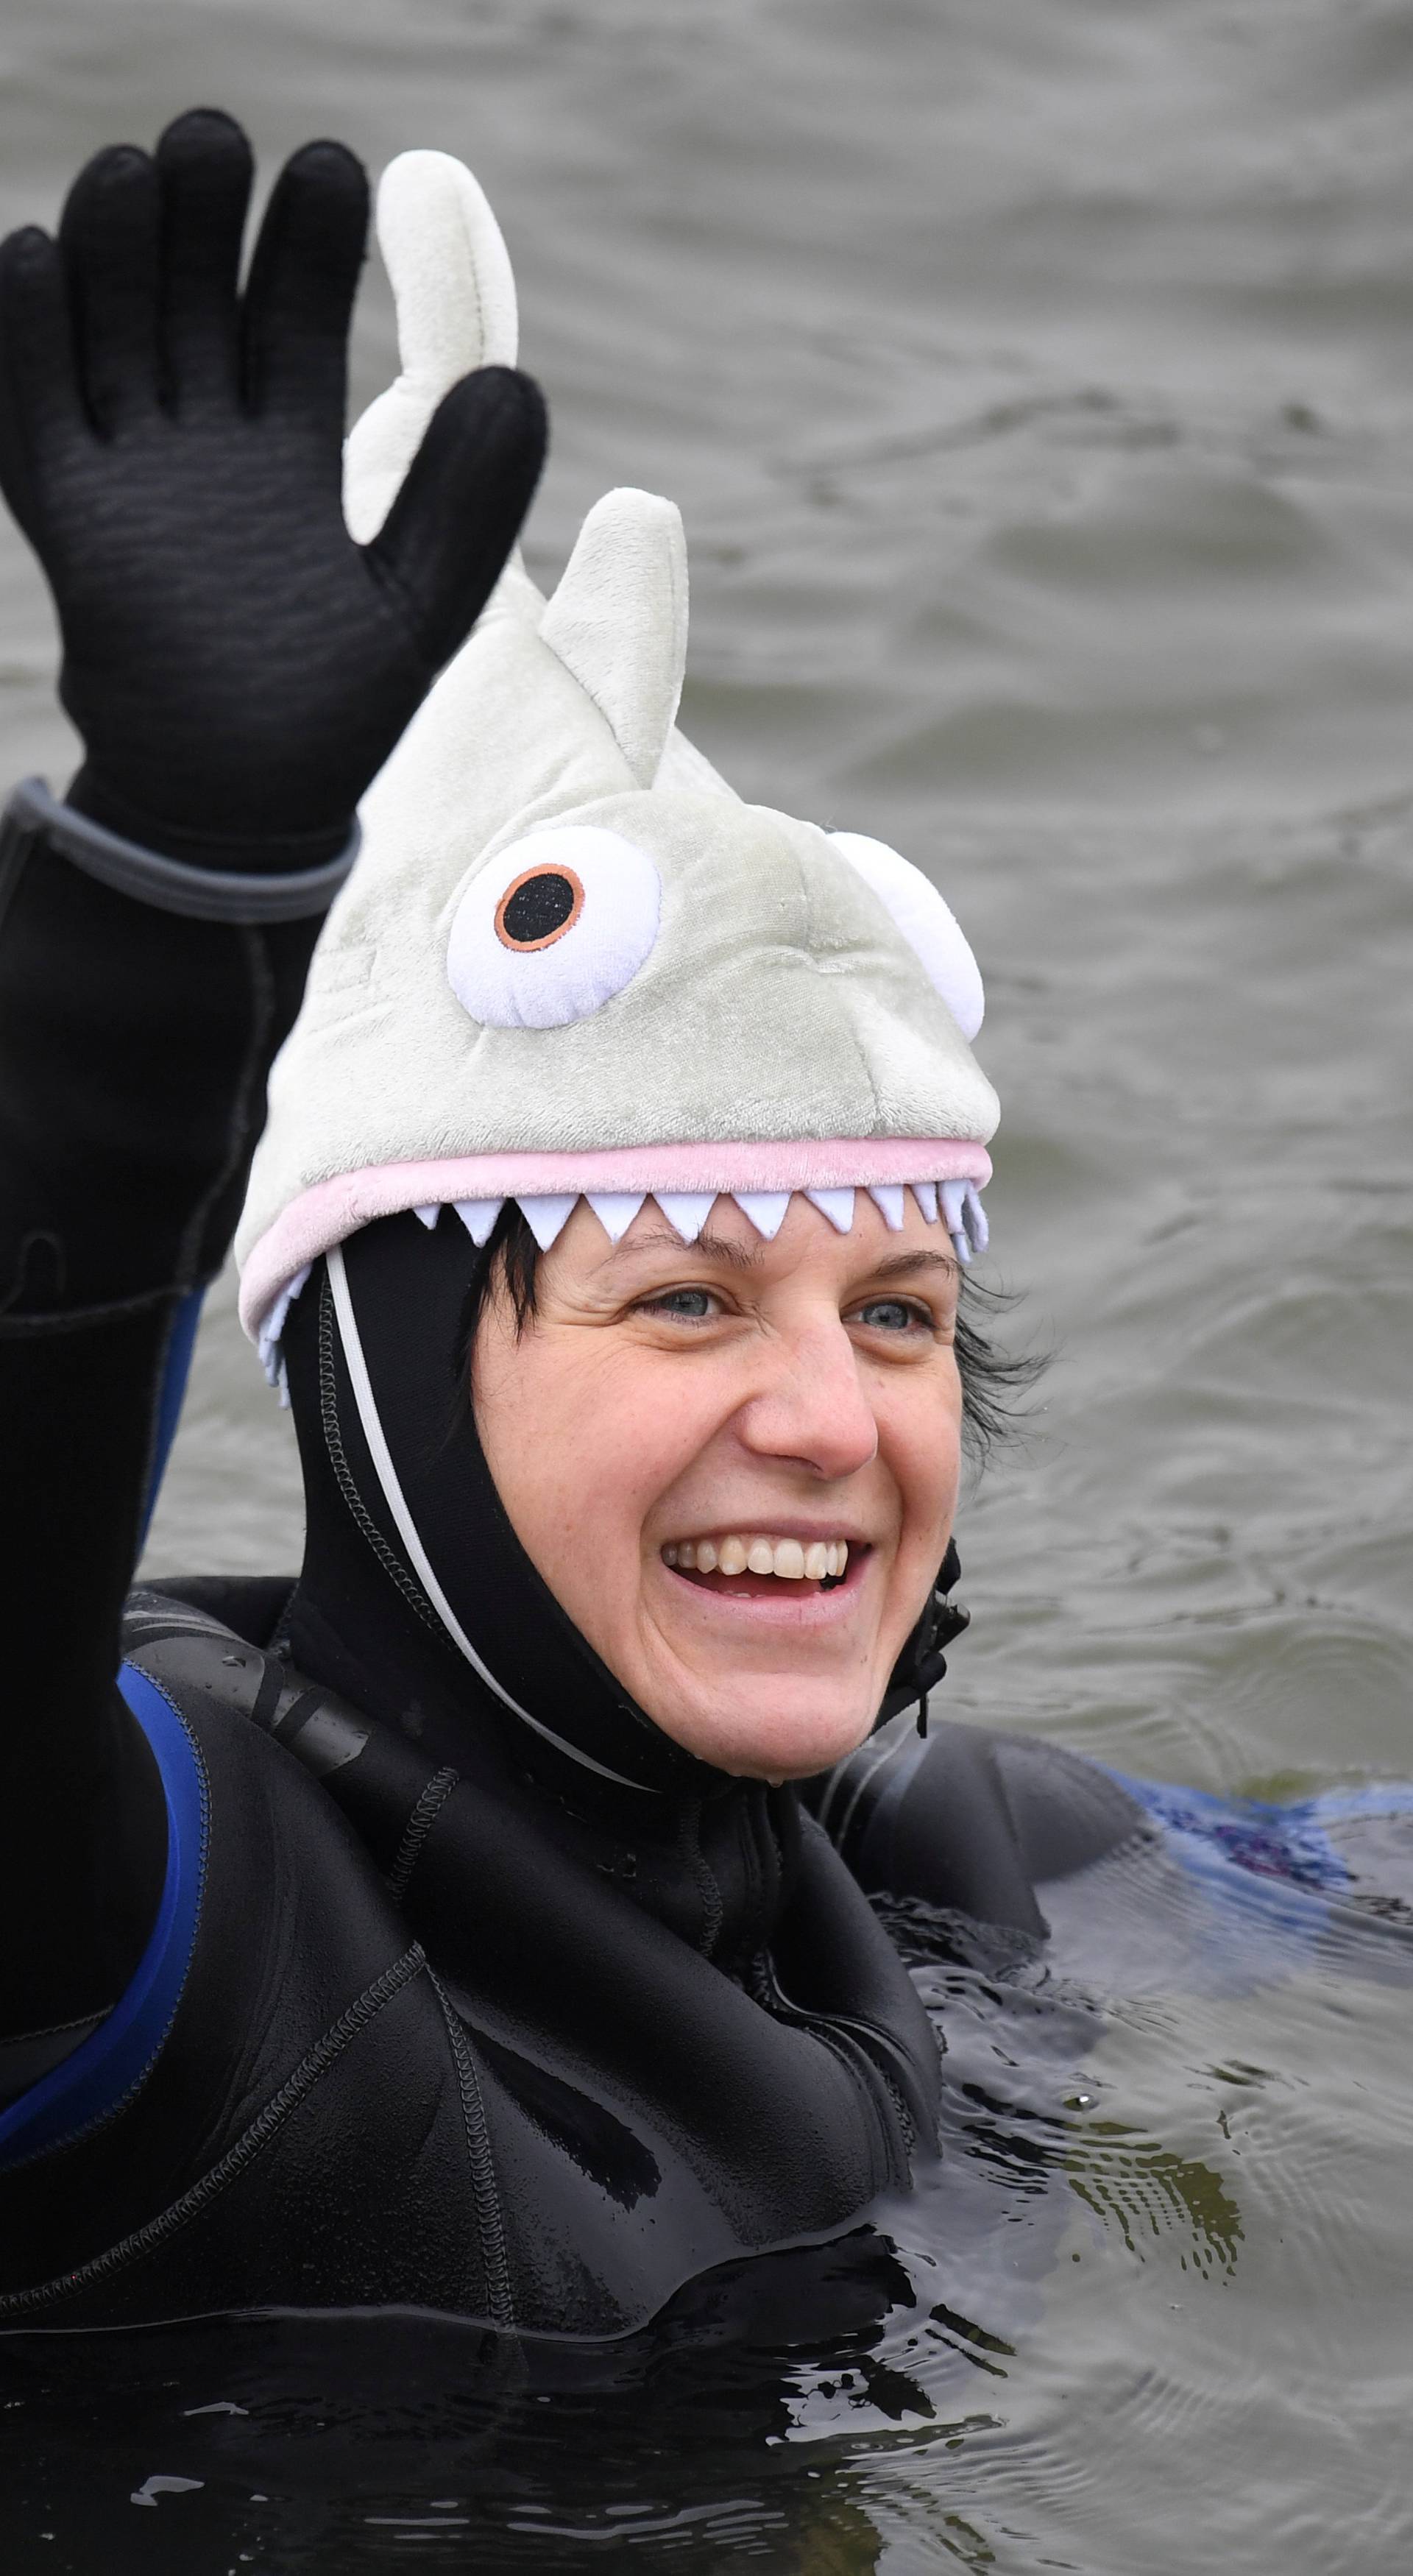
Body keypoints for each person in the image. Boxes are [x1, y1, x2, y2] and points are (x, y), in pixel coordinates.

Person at [0, 113, 1385, 2343]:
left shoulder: (955, 1865)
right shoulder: (191, 1912)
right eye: (689, 1296)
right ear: (389, 1378)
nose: (834, 1417)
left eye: (904, 1309)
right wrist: (170, 906)